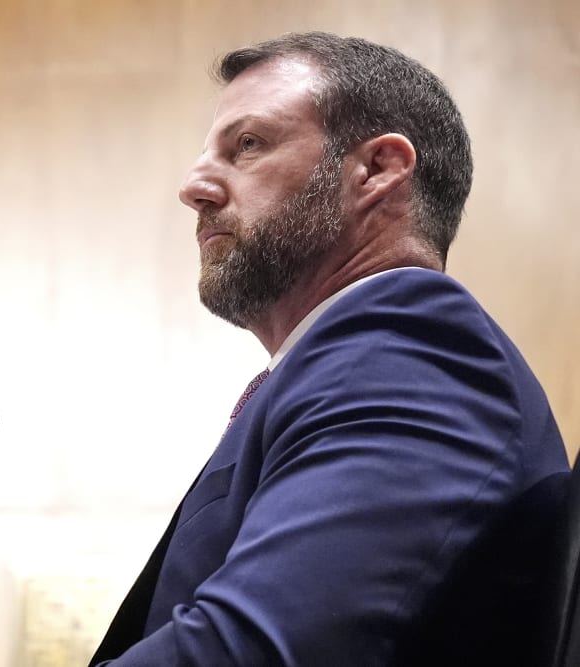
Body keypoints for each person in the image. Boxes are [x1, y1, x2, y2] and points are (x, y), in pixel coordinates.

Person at [90, 32, 570, 666]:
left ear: (375, 169)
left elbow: (254, 651)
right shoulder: (356, 361)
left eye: (248, 145)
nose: (195, 186)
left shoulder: (412, 350)